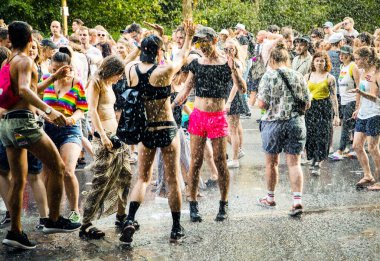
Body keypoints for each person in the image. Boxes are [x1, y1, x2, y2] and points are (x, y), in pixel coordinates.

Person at [0, 21, 80, 250]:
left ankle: (15, 232)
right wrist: (50, 110)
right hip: (24, 124)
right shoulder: (25, 61)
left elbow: (26, 91)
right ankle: (53, 219)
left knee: (19, 181)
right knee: (58, 167)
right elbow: (25, 90)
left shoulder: (8, 61)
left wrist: (53, 79)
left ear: (9, 40)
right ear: (30, 39)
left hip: (7, 125)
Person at [120, 20, 195, 245]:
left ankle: (130, 220)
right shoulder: (165, 70)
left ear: (142, 50)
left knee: (142, 178)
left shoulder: (130, 69)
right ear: (159, 52)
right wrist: (189, 37)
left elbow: (126, 60)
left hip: (146, 130)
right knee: (172, 180)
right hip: (167, 129)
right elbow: (182, 55)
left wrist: (141, 41)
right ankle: (176, 227)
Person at [173, 26, 247, 223]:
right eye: (198, 42)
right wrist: (172, 104)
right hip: (198, 116)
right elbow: (187, 88)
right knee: (195, 161)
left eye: (205, 41)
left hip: (218, 117)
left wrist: (234, 71)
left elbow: (242, 88)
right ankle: (193, 204)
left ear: (215, 41)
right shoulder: (196, 63)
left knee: (220, 161)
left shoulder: (227, 64)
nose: (201, 45)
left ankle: (223, 203)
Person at [79, 53, 139, 239]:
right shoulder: (96, 82)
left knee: (125, 176)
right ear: (111, 70)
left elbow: (125, 59)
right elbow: (92, 111)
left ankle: (121, 217)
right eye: (118, 74)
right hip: (104, 138)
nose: (120, 78)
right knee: (101, 181)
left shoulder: (108, 82)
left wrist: (137, 48)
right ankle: (86, 224)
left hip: (116, 137)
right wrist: (103, 136)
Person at [256, 41, 311, 216]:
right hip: (295, 123)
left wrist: (265, 106)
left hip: (273, 123)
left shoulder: (268, 76)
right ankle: (297, 201)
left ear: (272, 59)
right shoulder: (298, 76)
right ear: (287, 59)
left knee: (271, 163)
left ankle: (270, 198)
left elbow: (262, 103)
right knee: (294, 163)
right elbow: (308, 103)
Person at [41, 47, 88, 223]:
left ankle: (75, 210)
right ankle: (49, 213)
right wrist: (47, 115)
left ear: (69, 67)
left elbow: (82, 109)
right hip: (48, 129)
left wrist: (70, 119)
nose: (58, 73)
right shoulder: (45, 80)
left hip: (70, 130)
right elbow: (36, 103)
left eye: (62, 70)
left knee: (68, 170)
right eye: (54, 70)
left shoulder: (77, 83)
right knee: (47, 172)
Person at [349, 47, 380, 189]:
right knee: (356, 145)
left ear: (366, 59)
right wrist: (358, 108)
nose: (355, 62)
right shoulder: (362, 72)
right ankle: (368, 175)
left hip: (375, 113)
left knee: (372, 147)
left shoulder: (376, 73)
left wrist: (360, 92)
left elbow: (374, 97)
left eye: (357, 59)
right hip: (363, 113)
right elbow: (362, 93)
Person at [304, 52, 340, 175]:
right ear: (313, 62)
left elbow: (334, 97)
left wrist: (336, 115)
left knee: (322, 135)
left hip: (324, 107)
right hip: (310, 107)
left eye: (322, 61)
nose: (319, 63)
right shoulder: (307, 76)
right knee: (310, 134)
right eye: (317, 60)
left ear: (326, 63)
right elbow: (303, 95)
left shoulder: (330, 78)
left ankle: (318, 162)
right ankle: (312, 157)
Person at [330, 45, 360, 160]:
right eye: (340, 54)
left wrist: (357, 105)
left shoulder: (353, 67)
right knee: (349, 125)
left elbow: (359, 86)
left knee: (346, 126)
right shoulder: (343, 66)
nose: (341, 56)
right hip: (344, 100)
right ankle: (351, 148)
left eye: (343, 54)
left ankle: (340, 150)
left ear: (349, 55)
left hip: (352, 100)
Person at [224, 39, 246, 169]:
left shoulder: (236, 63)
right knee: (233, 128)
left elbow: (235, 85)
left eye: (231, 49)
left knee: (232, 129)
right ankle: (237, 150)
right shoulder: (227, 61)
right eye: (226, 49)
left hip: (233, 97)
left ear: (235, 50)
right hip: (228, 96)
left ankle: (235, 158)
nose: (228, 51)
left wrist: (229, 102)